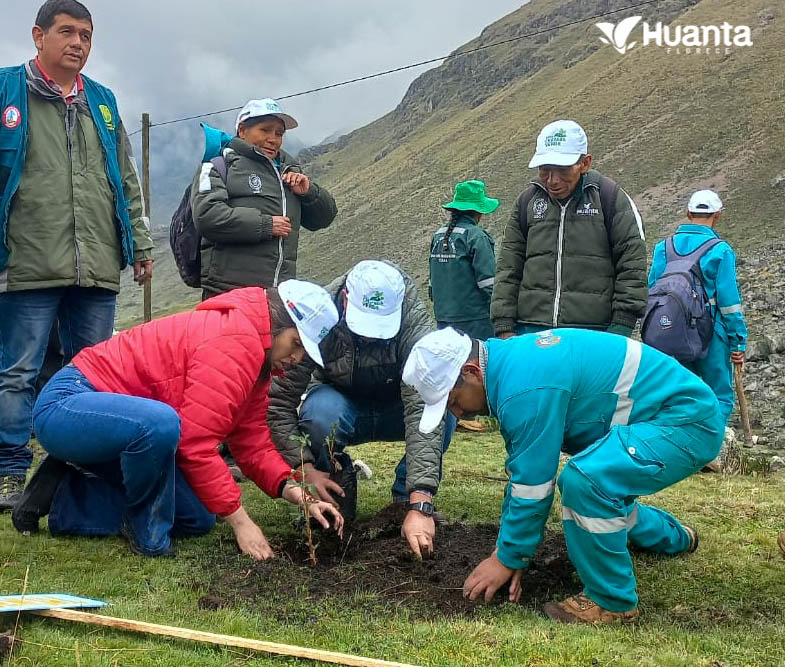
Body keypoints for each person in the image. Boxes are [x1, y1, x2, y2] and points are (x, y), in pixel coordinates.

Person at [403, 327, 724, 623]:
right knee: (600, 488)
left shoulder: (523, 388)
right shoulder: (512, 368)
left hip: (686, 421)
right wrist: (510, 553)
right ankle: (678, 537)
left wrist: (506, 559)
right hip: (671, 415)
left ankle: (612, 601)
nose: (457, 414)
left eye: (454, 401)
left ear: (470, 371)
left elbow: (533, 486)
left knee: (587, 481)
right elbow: (523, 471)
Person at [12, 282, 343, 559]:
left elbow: (251, 440)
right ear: (275, 323)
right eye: (296, 344)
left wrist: (291, 488)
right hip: (69, 405)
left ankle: (59, 493)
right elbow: (195, 443)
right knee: (160, 423)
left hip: (125, 432)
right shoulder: (233, 342)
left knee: (197, 517)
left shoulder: (257, 362)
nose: (297, 358)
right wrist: (242, 522)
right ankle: (146, 532)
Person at [0, 0, 154, 510]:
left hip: (96, 263)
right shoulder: (6, 90)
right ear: (37, 36)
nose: (78, 44)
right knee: (18, 372)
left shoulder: (104, 102)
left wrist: (139, 244)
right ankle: (9, 470)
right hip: (26, 262)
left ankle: (79, 469)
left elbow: (126, 180)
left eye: (86, 35)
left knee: (92, 370)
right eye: (67, 32)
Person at [269, 260, 454, 558]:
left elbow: (423, 404)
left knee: (445, 414)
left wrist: (421, 501)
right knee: (319, 415)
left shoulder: (413, 323)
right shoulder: (318, 311)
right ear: (344, 299)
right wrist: (305, 468)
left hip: (395, 406)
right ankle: (335, 487)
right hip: (340, 406)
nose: (369, 337)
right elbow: (280, 402)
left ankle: (403, 505)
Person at [491, 120, 647, 339]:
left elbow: (632, 264)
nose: (552, 181)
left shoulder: (610, 198)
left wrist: (621, 326)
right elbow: (509, 265)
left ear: (585, 163)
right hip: (531, 332)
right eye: (545, 170)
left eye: (562, 169)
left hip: (593, 334)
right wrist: (505, 326)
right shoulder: (527, 201)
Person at [191, 98, 337, 298]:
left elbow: (324, 219)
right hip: (228, 294)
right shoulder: (216, 166)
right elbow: (207, 216)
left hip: (278, 296)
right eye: (265, 130)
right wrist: (265, 225)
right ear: (242, 130)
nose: (273, 139)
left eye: (279, 133)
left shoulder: (287, 173)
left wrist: (309, 192)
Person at [647, 190, 747, 422]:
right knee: (718, 396)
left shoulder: (664, 247)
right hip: (711, 334)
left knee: (678, 394)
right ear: (718, 215)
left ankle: (677, 446)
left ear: (688, 213)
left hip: (669, 332)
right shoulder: (721, 250)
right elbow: (729, 303)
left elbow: (652, 289)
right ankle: (710, 448)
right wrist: (738, 341)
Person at [429, 179, 498, 341]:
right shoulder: (476, 236)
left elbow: (432, 284)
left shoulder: (438, 235)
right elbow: (489, 283)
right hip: (475, 322)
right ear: (478, 211)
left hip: (444, 319)